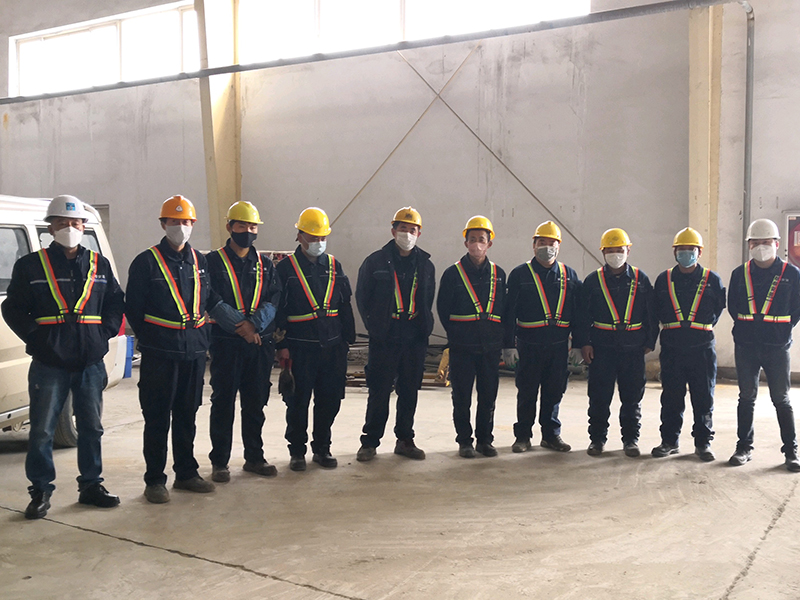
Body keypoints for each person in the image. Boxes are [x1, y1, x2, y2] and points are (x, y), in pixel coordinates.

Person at [2, 195, 124, 519]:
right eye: (62, 223)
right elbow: (12, 308)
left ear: (83, 227)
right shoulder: (30, 266)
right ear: (50, 228)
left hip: (90, 362)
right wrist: (36, 339)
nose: (70, 228)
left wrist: (103, 334)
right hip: (49, 363)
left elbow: (115, 302)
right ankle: (40, 491)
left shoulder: (99, 265)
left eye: (75, 223)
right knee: (42, 430)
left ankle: (91, 486)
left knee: (91, 428)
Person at [126, 195, 227, 503]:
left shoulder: (200, 261)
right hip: (160, 354)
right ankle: (155, 480)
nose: (180, 227)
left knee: (187, 415)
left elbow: (207, 299)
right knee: (157, 417)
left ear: (193, 224)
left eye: (185, 222)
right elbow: (134, 309)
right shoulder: (146, 262)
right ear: (163, 224)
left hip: (193, 353)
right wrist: (155, 338)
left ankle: (186, 473)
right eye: (174, 221)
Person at [275, 207, 355, 471]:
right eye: (313, 237)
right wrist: (281, 345)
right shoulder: (285, 269)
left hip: (332, 345)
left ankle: (322, 448)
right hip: (300, 348)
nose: (318, 242)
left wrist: (347, 340)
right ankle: (297, 451)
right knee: (297, 402)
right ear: (299, 236)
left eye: (322, 237)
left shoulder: (334, 266)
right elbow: (278, 310)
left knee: (329, 400)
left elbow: (344, 303)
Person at [206, 201, 282, 482]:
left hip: (258, 344)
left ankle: (254, 457)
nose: (248, 231)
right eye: (242, 226)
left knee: (255, 403)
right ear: (229, 227)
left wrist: (255, 325)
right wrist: (242, 327)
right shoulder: (212, 262)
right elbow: (211, 299)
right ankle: (220, 462)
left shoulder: (265, 264)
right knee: (223, 403)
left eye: (252, 227)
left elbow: (273, 298)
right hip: (226, 342)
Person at [355, 207, 435, 462]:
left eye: (412, 230)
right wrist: (375, 327)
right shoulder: (375, 262)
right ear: (393, 231)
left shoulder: (426, 264)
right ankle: (370, 442)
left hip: (414, 335)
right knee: (379, 390)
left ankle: (405, 440)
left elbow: (427, 299)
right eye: (403, 229)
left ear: (419, 233)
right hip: (385, 336)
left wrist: (423, 329)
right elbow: (363, 297)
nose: (407, 234)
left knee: (409, 390)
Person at [575, 228, 657, 457]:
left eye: (619, 250)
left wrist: (650, 340)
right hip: (602, 348)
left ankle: (630, 440)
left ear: (628, 250)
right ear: (602, 252)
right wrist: (584, 343)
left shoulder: (641, 280)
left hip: (633, 349)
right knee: (599, 398)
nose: (615, 255)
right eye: (610, 251)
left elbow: (651, 313)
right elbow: (582, 315)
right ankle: (597, 440)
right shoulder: (593, 281)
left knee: (632, 398)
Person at [727, 218, 800, 471]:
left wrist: (781, 330)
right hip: (746, 345)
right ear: (749, 245)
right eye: (755, 242)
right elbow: (733, 306)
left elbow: (797, 309)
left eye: (766, 242)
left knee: (781, 398)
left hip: (776, 347)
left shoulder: (792, 274)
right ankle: (743, 448)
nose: (761, 247)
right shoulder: (740, 274)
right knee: (746, 397)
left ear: (777, 244)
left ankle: (791, 451)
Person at [503, 220, 581, 454]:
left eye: (551, 243)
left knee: (554, 392)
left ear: (559, 246)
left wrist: (578, 344)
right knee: (527, 392)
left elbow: (578, 313)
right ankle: (523, 436)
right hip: (528, 345)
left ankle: (551, 435)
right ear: (534, 245)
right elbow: (509, 313)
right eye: (542, 242)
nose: (547, 247)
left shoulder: (569, 275)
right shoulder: (519, 274)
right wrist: (508, 345)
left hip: (558, 346)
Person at [652, 228, 725, 461]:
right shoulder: (663, 279)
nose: (686, 253)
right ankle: (669, 441)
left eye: (691, 249)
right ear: (674, 252)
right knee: (671, 397)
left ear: (699, 252)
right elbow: (655, 309)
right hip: (672, 348)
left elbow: (718, 309)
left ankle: (703, 443)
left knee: (703, 397)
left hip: (701, 347)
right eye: (681, 249)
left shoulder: (712, 280)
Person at [437, 216, 507, 458]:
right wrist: (457, 334)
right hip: (462, 347)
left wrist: (501, 340)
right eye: (473, 239)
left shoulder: (499, 274)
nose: (477, 244)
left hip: (490, 347)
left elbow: (505, 309)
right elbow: (443, 310)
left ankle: (485, 440)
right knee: (462, 397)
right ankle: (465, 441)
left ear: (489, 244)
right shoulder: (452, 274)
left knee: (488, 396)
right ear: (466, 243)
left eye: (482, 239)